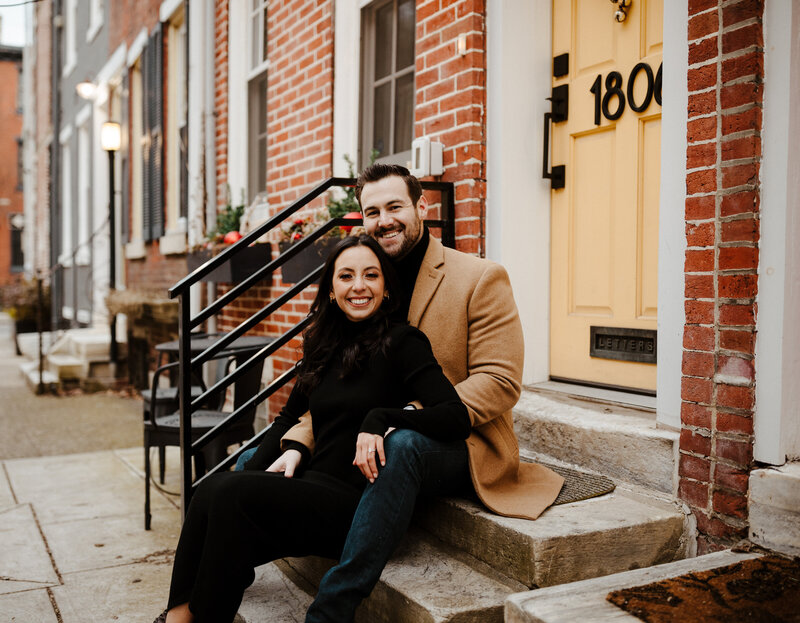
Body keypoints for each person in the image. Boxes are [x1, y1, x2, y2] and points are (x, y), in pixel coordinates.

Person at [273, 164, 565, 622]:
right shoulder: (365, 280)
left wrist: (405, 413)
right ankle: (207, 594)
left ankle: (329, 612)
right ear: (362, 220)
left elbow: (501, 380)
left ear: (421, 207)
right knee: (253, 461)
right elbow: (338, 384)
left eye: (394, 206)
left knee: (401, 442)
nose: (384, 219)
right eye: (372, 211)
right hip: (365, 437)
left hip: (460, 440)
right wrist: (298, 440)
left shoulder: (480, 277)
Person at [155, 235, 471, 623]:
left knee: (229, 494)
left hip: (355, 505)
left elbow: (455, 416)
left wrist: (383, 417)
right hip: (312, 485)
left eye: (371, 275)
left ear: (387, 288)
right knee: (212, 489)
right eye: (346, 276)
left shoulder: (403, 342)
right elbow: (288, 418)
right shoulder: (322, 343)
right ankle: (180, 616)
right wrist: (259, 472)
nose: (359, 286)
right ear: (332, 290)